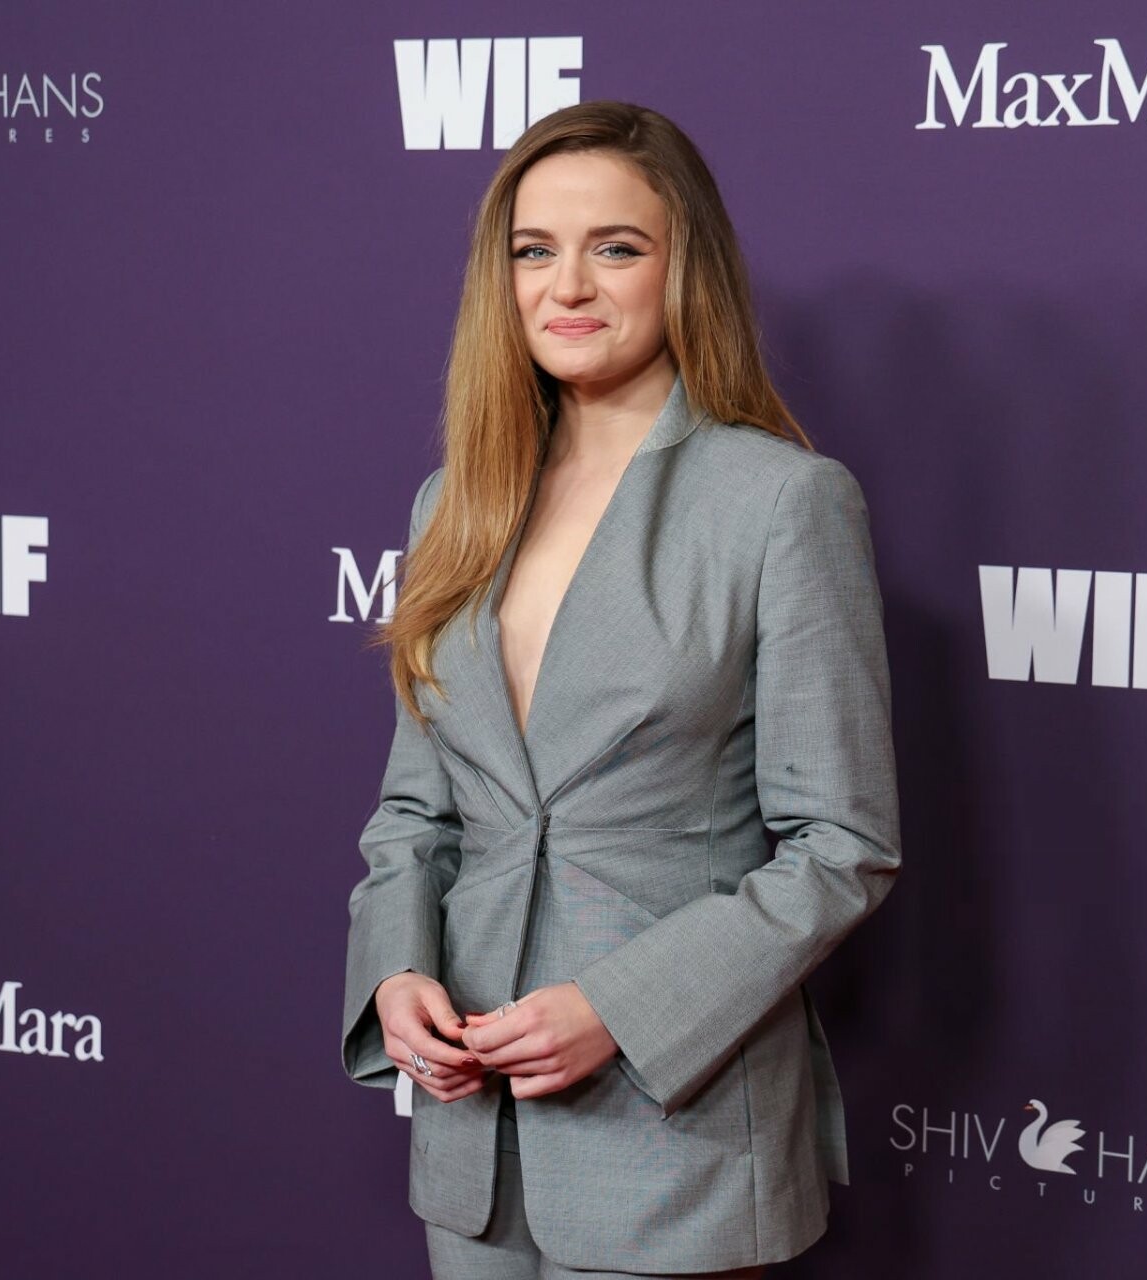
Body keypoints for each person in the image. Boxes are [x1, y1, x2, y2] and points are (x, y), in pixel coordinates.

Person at [339, 100, 901, 1279]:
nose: (569, 286)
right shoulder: (452, 505)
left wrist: (619, 1008)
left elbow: (840, 845)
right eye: (533, 249)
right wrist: (395, 970)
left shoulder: (782, 502)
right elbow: (416, 808)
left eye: (616, 247)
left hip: (676, 1132)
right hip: (472, 1133)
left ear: (685, 266)